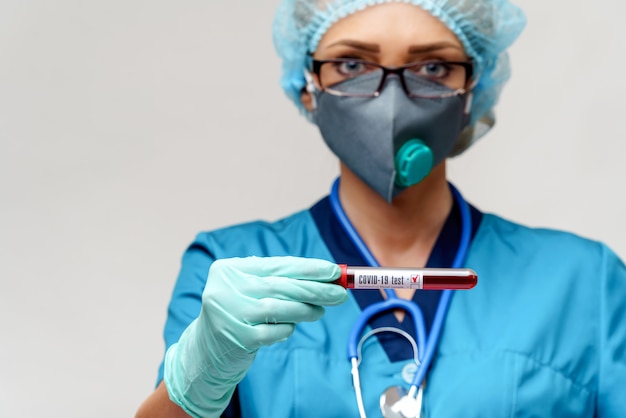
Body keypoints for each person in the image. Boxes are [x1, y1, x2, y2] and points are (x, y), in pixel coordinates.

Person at [135, 0, 626, 417]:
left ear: (471, 92)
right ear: (309, 85)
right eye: (351, 65)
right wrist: (200, 376)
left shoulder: (584, 282)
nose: (391, 101)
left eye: (432, 67)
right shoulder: (234, 269)